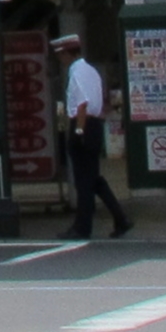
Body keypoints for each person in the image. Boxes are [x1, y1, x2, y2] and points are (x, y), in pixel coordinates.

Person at [56, 32, 129, 241]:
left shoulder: (77, 72)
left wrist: (78, 131)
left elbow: (82, 103)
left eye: (61, 54)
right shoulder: (92, 71)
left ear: (67, 53)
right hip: (95, 124)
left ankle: (82, 227)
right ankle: (120, 218)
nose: (60, 58)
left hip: (83, 124)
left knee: (83, 182)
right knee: (94, 179)